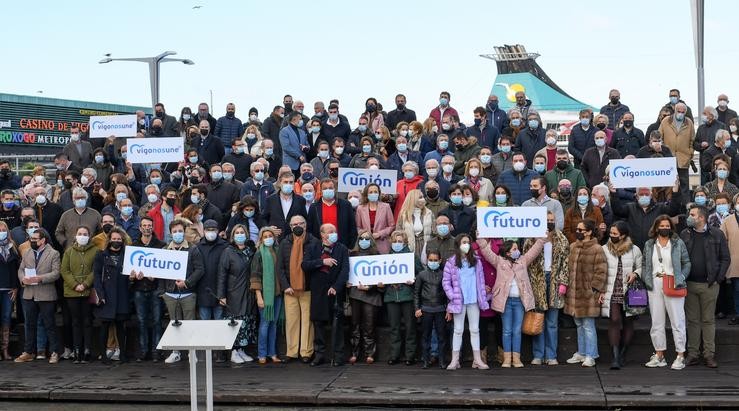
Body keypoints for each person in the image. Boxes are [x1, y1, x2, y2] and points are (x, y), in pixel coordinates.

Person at [478, 236, 544, 368]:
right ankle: (507, 359)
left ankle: (517, 358)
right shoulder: (499, 261)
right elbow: (486, 250)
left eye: (517, 248)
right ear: (507, 252)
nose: (517, 250)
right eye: (514, 249)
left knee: (517, 330)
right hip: (506, 301)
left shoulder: (523, 260)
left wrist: (541, 238)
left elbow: (535, 249)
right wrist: (480, 237)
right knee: (507, 330)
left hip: (519, 301)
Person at [680, 205, 730, 368]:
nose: (689, 217)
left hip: (710, 285)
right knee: (693, 321)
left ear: (701, 218)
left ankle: (709, 355)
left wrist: (718, 278)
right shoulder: (685, 234)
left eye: (692, 214)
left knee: (708, 320)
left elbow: (725, 258)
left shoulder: (717, 234)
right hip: (689, 284)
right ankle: (693, 354)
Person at [641, 215, 690, 370]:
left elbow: (686, 262)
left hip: (673, 283)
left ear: (671, 227)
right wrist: (646, 278)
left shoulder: (677, 243)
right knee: (656, 322)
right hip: (655, 284)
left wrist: (681, 277)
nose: (664, 228)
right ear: (656, 228)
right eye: (661, 225)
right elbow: (644, 263)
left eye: (667, 225)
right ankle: (659, 354)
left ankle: (680, 355)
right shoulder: (649, 244)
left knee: (677, 321)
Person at [522, 212, 570, 365]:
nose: (550, 223)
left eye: (552, 220)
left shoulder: (562, 239)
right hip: (537, 281)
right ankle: (538, 354)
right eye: (547, 220)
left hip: (555, 281)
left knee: (552, 322)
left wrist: (563, 282)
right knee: (538, 319)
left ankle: (551, 355)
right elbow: (526, 261)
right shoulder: (531, 239)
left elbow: (566, 262)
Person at [158, 219, 204, 364]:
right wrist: (163, 292)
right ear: (170, 233)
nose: (177, 234)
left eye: (180, 231)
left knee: (190, 323)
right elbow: (160, 271)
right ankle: (175, 351)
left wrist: (187, 282)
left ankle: (192, 352)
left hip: (188, 293)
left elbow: (200, 270)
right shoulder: (166, 250)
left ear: (184, 232)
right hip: (170, 293)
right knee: (174, 323)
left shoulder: (193, 249)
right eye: (174, 231)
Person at [303, 223, 349, 366]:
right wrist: (323, 261)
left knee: (337, 325)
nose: (333, 233)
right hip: (318, 291)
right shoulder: (313, 247)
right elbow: (305, 265)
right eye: (330, 231)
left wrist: (336, 286)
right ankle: (319, 354)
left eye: (334, 231)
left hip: (335, 291)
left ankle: (338, 355)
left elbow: (345, 270)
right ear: (322, 234)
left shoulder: (341, 249)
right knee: (318, 324)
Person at [564, 218, 607, 368]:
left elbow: (601, 272)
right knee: (579, 324)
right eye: (577, 229)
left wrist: (593, 289)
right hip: (574, 294)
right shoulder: (573, 247)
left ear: (589, 232)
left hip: (588, 295)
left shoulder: (597, 249)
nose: (578, 232)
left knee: (588, 325)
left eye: (581, 230)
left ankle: (591, 355)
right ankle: (582, 352)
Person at [15, 228, 62, 364]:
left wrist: (39, 278)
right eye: (31, 238)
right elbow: (21, 269)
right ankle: (28, 351)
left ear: (43, 240)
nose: (32, 241)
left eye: (35, 239)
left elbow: (56, 273)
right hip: (29, 294)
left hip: (46, 294)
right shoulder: (27, 252)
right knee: (29, 324)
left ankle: (54, 352)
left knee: (49, 324)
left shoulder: (54, 253)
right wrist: (23, 279)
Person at [443, 233, 489, 370]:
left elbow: (481, 281)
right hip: (459, 301)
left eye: (468, 242)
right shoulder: (451, 262)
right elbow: (446, 282)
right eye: (463, 242)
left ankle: (477, 360)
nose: (466, 245)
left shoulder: (476, 261)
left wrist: (482, 296)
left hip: (473, 300)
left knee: (475, 329)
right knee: (458, 330)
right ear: (458, 245)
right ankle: (455, 360)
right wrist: (452, 295)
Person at [601, 221, 642, 370]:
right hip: (612, 289)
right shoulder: (604, 249)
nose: (611, 236)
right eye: (610, 233)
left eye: (615, 234)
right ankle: (615, 356)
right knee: (614, 319)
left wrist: (635, 273)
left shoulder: (634, 249)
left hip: (629, 289)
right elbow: (600, 270)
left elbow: (641, 266)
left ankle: (623, 352)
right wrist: (600, 290)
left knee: (628, 321)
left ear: (623, 235)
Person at [276, 215, 316, 363]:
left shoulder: (313, 242)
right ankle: (291, 351)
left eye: (300, 223)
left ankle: (306, 352)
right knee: (291, 322)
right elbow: (279, 267)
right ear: (290, 227)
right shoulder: (284, 243)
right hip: (290, 289)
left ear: (305, 225)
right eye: (294, 224)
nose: (297, 226)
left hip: (307, 288)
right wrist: (285, 286)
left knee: (307, 322)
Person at [217, 224, 257, 363]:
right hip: (234, 292)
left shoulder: (250, 251)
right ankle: (234, 351)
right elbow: (222, 275)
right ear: (233, 236)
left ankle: (241, 349)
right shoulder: (228, 252)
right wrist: (221, 295)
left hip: (248, 292)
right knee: (235, 322)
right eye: (237, 233)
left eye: (242, 232)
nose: (240, 235)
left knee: (246, 321)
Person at [380, 230, 420, 366]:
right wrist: (381, 285)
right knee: (394, 327)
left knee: (410, 327)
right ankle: (394, 354)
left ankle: (410, 355)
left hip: (407, 296)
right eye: (395, 241)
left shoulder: (411, 257)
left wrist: (413, 280)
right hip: (391, 296)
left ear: (405, 243)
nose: (397, 244)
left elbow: (420, 274)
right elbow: (380, 277)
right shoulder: (385, 258)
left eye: (400, 241)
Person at [130, 216, 166, 362]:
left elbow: (165, 269)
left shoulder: (160, 245)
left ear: (153, 227)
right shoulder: (133, 246)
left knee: (157, 321)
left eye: (149, 225)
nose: (147, 228)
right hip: (139, 288)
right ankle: (144, 351)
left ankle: (156, 351)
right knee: (141, 321)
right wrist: (132, 277)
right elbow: (129, 271)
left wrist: (155, 276)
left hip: (155, 288)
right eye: (144, 225)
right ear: (140, 228)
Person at [60, 225, 97, 363]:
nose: (82, 236)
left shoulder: (95, 251)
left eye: (85, 233)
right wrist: (75, 285)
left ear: (89, 235)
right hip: (72, 292)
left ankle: (87, 350)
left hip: (87, 292)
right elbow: (64, 270)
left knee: (87, 321)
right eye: (80, 233)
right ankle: (76, 350)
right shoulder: (69, 251)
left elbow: (95, 270)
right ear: (75, 235)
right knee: (75, 322)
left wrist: (85, 284)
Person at [93, 227, 129, 364]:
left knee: (121, 326)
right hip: (106, 295)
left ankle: (123, 354)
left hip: (122, 294)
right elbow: (96, 276)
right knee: (105, 326)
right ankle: (103, 355)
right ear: (109, 240)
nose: (116, 241)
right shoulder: (101, 255)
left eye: (119, 239)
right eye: (114, 239)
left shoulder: (127, 255)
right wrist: (100, 294)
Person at [347, 230, 383, 364]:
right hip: (355, 294)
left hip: (371, 295)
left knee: (369, 325)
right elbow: (346, 272)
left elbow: (381, 277)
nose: (364, 241)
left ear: (371, 241)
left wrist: (370, 287)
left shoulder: (377, 255)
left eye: (367, 239)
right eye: (361, 238)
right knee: (354, 324)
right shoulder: (352, 254)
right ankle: (354, 352)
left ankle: (370, 353)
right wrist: (347, 282)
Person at [246, 227, 281, 364]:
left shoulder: (278, 251)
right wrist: (259, 296)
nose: (268, 238)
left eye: (270, 236)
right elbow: (255, 276)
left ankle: (272, 353)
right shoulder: (259, 253)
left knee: (273, 324)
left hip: (277, 294)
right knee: (265, 324)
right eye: (265, 236)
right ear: (261, 239)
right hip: (265, 295)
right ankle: (262, 353)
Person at [415, 250, 448, 369]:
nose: (433, 262)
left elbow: (448, 293)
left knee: (442, 336)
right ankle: (426, 360)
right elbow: (416, 293)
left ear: (440, 261)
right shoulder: (421, 275)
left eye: (435, 260)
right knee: (425, 336)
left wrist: (448, 309)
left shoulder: (444, 274)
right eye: (430, 260)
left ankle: (442, 361)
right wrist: (417, 308)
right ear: (427, 260)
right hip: (426, 309)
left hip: (440, 309)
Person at [307, 179, 357, 249]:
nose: (328, 190)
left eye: (330, 188)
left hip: (342, 247)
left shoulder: (345, 205)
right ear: (321, 191)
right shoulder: (314, 207)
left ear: (335, 189)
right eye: (325, 188)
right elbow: (309, 229)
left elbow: (352, 227)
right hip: (320, 248)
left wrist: (350, 247)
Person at [659, 103, 695, 194]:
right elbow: (660, 137)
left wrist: (690, 153)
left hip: (683, 159)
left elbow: (692, 140)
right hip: (668, 158)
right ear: (675, 111)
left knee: (684, 185)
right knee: (668, 185)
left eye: (683, 112)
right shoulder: (666, 121)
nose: (680, 113)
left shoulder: (689, 123)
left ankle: (685, 205)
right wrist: (663, 152)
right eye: (679, 111)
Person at [262, 172, 308, 241]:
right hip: (276, 239)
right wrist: (269, 228)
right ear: (280, 183)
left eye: (291, 182)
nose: (288, 184)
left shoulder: (300, 200)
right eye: (285, 182)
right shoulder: (271, 200)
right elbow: (263, 218)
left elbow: (305, 219)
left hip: (294, 238)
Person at [0, 221, 19, 360]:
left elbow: (15, 269)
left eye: (3, 230)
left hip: (8, 288)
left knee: (6, 318)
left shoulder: (13, 247)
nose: (2, 232)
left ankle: (5, 350)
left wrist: (15, 287)